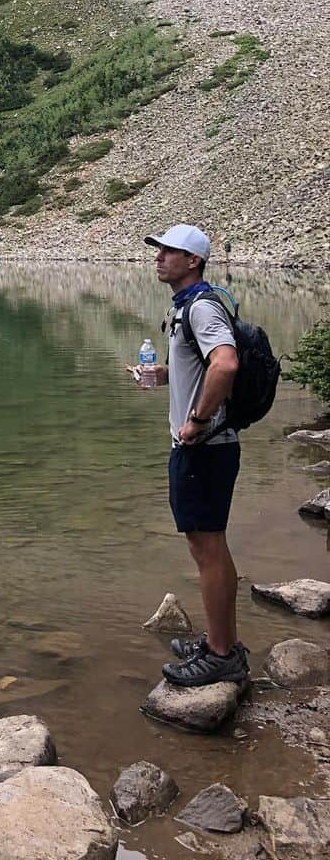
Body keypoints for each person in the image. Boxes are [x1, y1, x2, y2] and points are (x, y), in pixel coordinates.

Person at [136, 224, 249, 686]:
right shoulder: (186, 307)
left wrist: (197, 421)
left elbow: (225, 363)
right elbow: (203, 366)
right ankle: (222, 641)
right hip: (206, 446)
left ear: (194, 261)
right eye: (159, 249)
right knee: (211, 546)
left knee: (206, 549)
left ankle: (222, 656)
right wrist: (164, 376)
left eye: (170, 251)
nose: (160, 257)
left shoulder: (201, 307)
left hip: (204, 447)